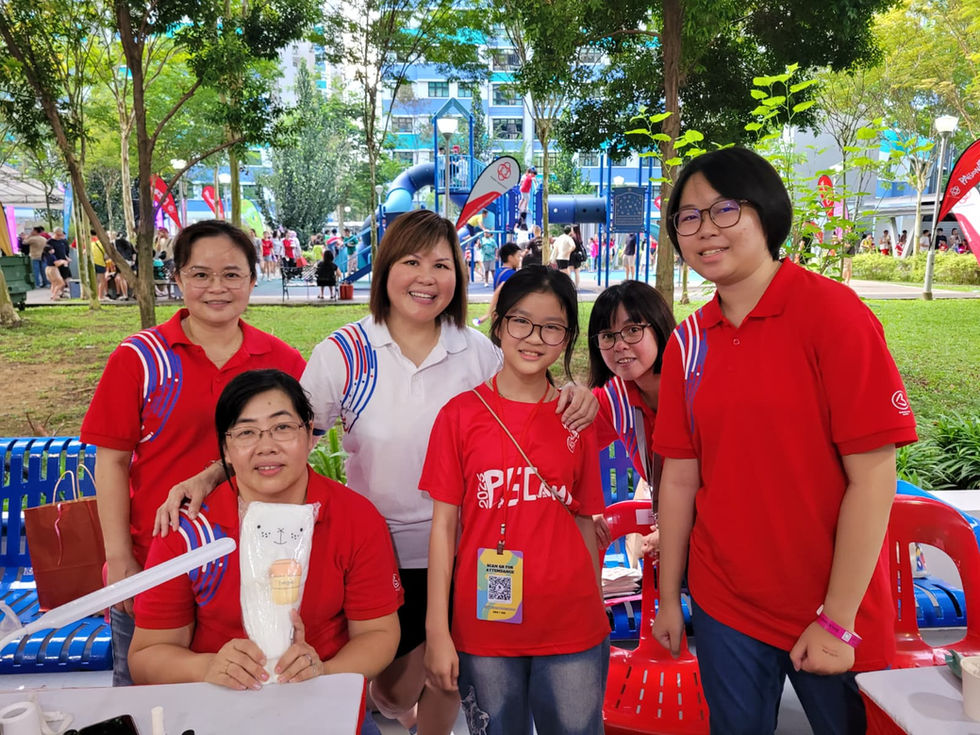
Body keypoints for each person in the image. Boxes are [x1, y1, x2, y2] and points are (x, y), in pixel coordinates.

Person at [157, 209, 597, 735]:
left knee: (448, 679)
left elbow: (529, 389)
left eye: (441, 265)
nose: (426, 278)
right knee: (391, 691)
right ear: (386, 268)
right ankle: (399, 706)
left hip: (465, 548)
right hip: (377, 549)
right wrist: (212, 475)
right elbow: (284, 432)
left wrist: (577, 394)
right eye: (411, 262)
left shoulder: (477, 350)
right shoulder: (345, 352)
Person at [652, 147, 918, 735]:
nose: (705, 230)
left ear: (767, 212)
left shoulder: (833, 314)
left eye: (724, 209)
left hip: (833, 603)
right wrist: (670, 598)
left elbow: (874, 476)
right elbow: (680, 478)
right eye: (688, 217)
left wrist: (837, 619)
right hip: (725, 602)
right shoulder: (688, 342)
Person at [80, 219, 307, 687]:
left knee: (251, 690)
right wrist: (119, 557)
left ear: (253, 278)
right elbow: (112, 462)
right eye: (200, 274)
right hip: (155, 562)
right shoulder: (141, 358)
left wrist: (215, 474)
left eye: (232, 274)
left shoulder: (282, 362)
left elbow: (296, 453)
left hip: (254, 568)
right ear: (178, 278)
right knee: (146, 696)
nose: (216, 288)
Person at [129, 370, 401, 734]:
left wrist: (325, 671)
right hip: (217, 710)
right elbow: (146, 654)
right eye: (246, 433)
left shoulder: (356, 518)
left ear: (309, 434)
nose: (266, 446)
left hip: (324, 703)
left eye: (282, 428)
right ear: (226, 450)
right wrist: (207, 667)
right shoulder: (190, 530)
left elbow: (379, 633)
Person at [423, 266, 609, 735]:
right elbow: (444, 528)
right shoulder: (459, 417)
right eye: (521, 321)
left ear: (567, 339)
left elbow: (584, 518)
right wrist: (437, 630)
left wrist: (593, 608)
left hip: (572, 625)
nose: (533, 338)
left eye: (552, 327)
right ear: (499, 324)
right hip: (486, 626)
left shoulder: (576, 418)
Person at [586, 280, 676, 561]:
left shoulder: (696, 387)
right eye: (607, 336)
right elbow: (568, 451)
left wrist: (676, 531)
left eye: (633, 330)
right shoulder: (614, 397)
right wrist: (587, 508)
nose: (619, 345)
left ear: (659, 327)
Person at [473, 243, 523, 326]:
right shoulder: (511, 274)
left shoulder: (499, 271)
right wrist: (487, 314)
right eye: (518, 256)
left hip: (499, 311)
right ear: (510, 258)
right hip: (508, 313)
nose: (520, 259)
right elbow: (498, 291)